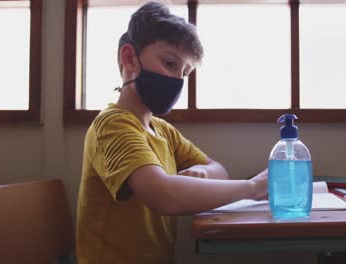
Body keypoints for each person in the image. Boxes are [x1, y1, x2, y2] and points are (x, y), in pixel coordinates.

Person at [75, 1, 268, 263]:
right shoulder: (112, 124)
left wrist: (203, 172)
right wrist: (252, 188)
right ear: (130, 58)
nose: (177, 80)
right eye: (169, 63)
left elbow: (218, 170)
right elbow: (162, 194)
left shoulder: (163, 130)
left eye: (185, 73)